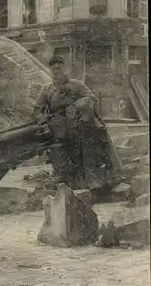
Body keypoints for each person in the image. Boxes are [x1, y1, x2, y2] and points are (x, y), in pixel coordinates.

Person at [34, 55, 122, 191]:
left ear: (63, 67)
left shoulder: (77, 85)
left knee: (87, 152)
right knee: (60, 158)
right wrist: (44, 123)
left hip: (78, 124)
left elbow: (91, 99)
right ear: (50, 70)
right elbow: (37, 110)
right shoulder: (46, 89)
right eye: (53, 69)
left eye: (59, 68)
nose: (57, 71)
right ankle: (66, 182)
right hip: (58, 127)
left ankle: (92, 181)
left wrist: (79, 106)